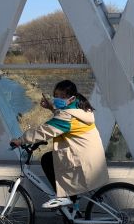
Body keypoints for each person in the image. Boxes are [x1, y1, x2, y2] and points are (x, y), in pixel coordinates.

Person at [10, 80, 109, 209]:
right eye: (56, 96)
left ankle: (63, 197)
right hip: (91, 156)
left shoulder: (67, 116)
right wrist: (51, 108)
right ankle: (72, 203)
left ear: (71, 98)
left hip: (82, 158)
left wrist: (21, 140)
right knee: (54, 159)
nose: (58, 99)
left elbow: (45, 130)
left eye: (62, 96)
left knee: (47, 159)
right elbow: (63, 119)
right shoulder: (79, 108)